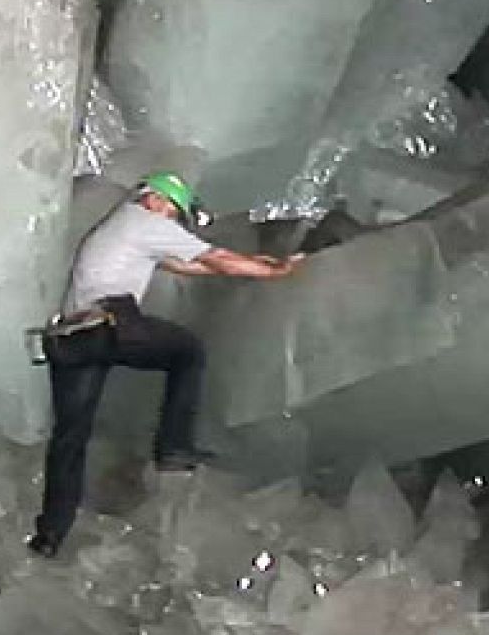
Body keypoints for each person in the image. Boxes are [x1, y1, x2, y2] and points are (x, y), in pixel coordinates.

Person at [29, 171, 302, 558]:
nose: (171, 218)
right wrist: (276, 271)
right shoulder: (146, 221)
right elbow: (216, 258)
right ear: (154, 199)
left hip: (72, 339)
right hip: (110, 323)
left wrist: (252, 264)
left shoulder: (120, 225)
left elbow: (185, 264)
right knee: (187, 352)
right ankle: (174, 448)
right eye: (172, 211)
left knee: (69, 439)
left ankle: (48, 537)